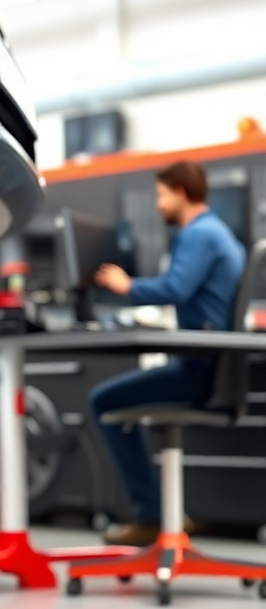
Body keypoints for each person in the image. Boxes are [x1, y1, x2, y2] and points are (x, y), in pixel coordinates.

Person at [91, 161, 246, 547]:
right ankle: (160, 513)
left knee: (102, 401)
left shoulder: (198, 234)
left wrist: (126, 286)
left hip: (198, 370)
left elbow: (176, 288)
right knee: (117, 400)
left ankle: (150, 515)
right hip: (212, 367)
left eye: (161, 195)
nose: (158, 204)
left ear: (180, 192)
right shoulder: (219, 233)